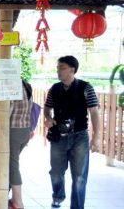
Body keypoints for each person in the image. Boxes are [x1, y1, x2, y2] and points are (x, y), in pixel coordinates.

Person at [44, 56, 99, 209]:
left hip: (79, 136)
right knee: (55, 172)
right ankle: (58, 196)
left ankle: (77, 206)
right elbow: (47, 108)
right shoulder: (54, 89)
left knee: (80, 176)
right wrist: (49, 119)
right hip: (58, 136)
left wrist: (96, 137)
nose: (58, 71)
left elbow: (94, 112)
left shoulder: (86, 87)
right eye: (57, 68)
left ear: (72, 70)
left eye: (61, 68)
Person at [8, 79, 34, 209]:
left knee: (12, 165)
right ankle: (12, 198)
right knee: (12, 163)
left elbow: (5, 114)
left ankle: (18, 202)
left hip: (14, 130)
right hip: (25, 130)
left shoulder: (12, 86)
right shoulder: (26, 85)